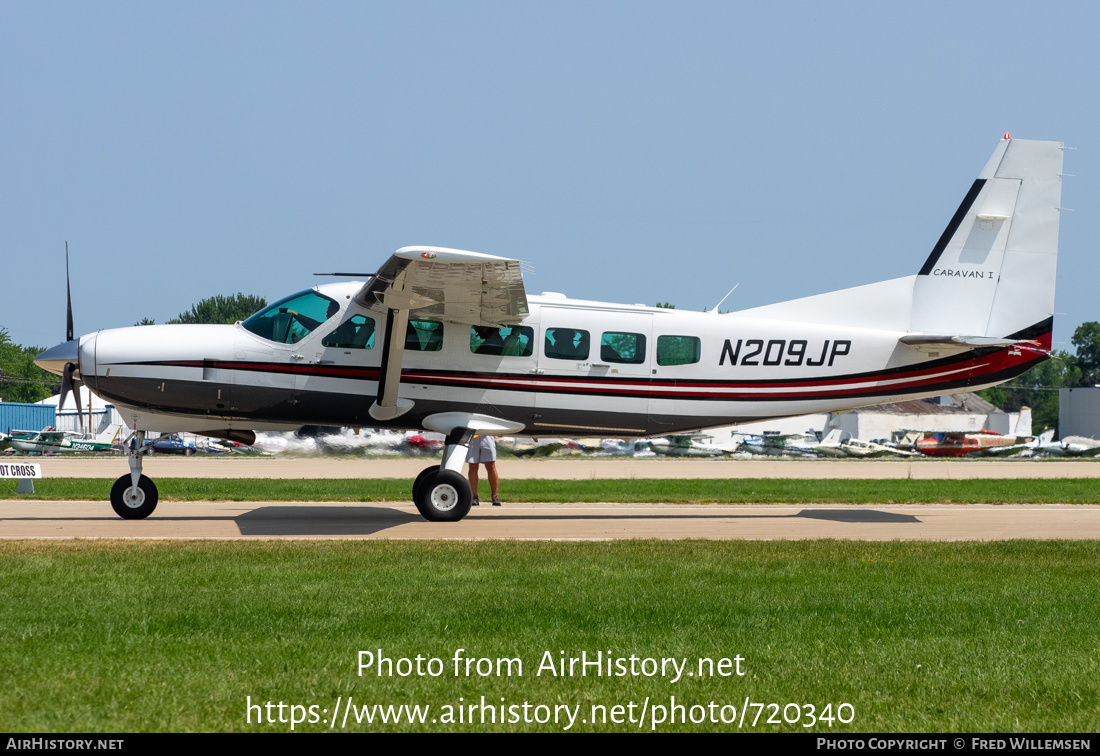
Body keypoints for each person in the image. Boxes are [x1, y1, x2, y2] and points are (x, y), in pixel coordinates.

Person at [466, 433, 501, 506]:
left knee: (490, 465)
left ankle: (495, 496)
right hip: (473, 436)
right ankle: (474, 497)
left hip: (487, 434)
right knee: (473, 466)